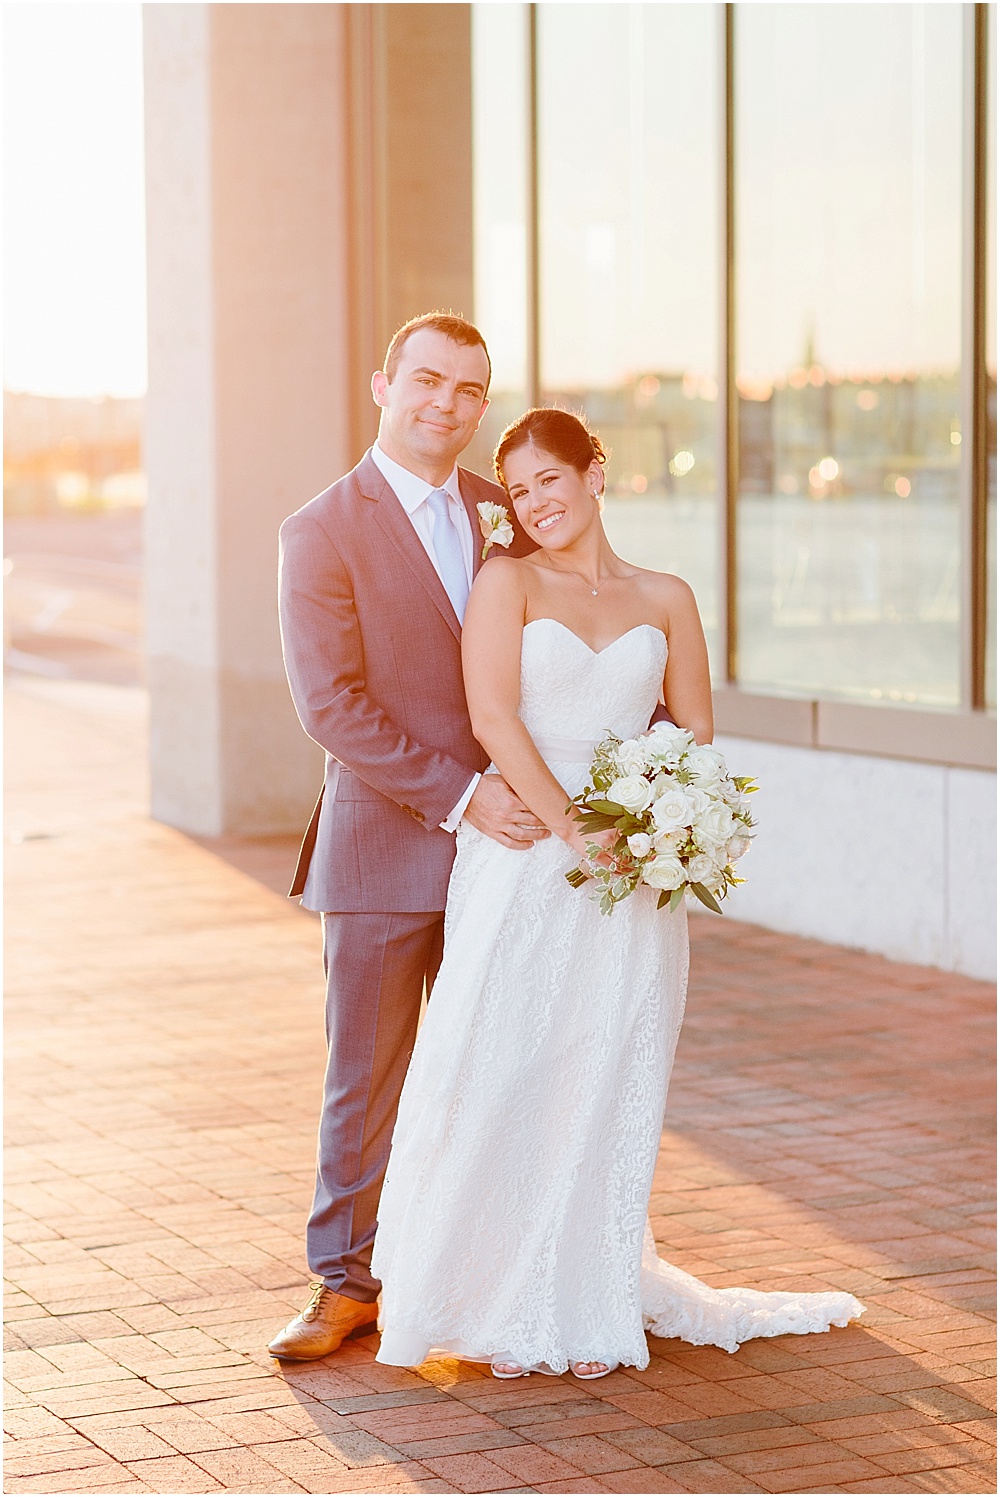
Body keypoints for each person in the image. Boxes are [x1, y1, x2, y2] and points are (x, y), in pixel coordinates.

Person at [371, 407, 864, 1378]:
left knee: (602, 1070)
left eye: (548, 480)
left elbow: (692, 737)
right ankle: (497, 1290)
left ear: (595, 475)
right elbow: (491, 716)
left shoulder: (668, 596)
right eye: (515, 490)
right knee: (509, 1062)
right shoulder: (504, 581)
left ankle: (583, 1288)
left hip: (633, 878)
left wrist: (664, 827)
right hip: (525, 861)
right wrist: (570, 827)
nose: (533, 503)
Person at [269, 313, 546, 1361]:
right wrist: (464, 796)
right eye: (428, 380)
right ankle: (344, 1281)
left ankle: (477, 1275)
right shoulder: (321, 527)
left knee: (496, 1064)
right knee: (368, 1076)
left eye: (470, 390)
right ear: (383, 384)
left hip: (513, 857)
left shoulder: (503, 511)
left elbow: (559, 648)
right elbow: (329, 705)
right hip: (387, 851)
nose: (447, 403)